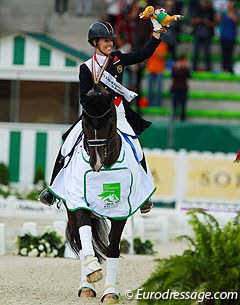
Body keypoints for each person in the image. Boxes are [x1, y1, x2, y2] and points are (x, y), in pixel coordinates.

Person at [39, 20, 163, 213]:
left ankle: (144, 195)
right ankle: (52, 189)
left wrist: (156, 33)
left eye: (111, 40)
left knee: (137, 149)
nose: (109, 44)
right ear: (95, 42)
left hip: (117, 113)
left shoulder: (118, 60)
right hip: (93, 115)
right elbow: (83, 97)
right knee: (66, 145)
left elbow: (144, 54)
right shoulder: (86, 68)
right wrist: (96, 100)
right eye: (105, 41)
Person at [190, 0, 216, 71]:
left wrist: (207, 22)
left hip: (207, 35)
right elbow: (191, 21)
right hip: (198, 34)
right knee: (196, 53)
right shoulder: (197, 10)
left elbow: (214, 24)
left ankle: (209, 69)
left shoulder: (211, 11)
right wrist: (198, 20)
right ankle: (194, 69)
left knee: (207, 53)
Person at [215, 0, 239, 73]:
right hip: (224, 36)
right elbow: (217, 20)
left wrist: (231, 15)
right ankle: (224, 69)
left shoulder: (236, 13)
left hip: (231, 36)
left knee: (230, 53)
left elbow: (237, 20)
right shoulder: (224, 13)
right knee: (223, 53)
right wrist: (219, 11)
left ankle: (229, 68)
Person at [145, 40, 168, 106]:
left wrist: (154, 51)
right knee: (149, 88)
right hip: (150, 69)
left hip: (159, 70)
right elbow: (145, 55)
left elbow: (162, 56)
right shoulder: (148, 44)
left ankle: (158, 104)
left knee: (159, 89)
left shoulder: (163, 45)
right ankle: (149, 103)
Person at [170, 54, 191, 121]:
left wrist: (185, 67)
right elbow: (173, 76)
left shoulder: (186, 69)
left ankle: (182, 119)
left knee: (183, 106)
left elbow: (189, 75)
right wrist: (177, 68)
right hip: (176, 89)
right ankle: (173, 118)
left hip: (184, 89)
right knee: (174, 105)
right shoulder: (175, 68)